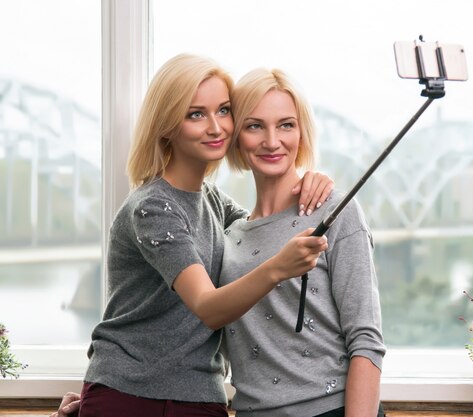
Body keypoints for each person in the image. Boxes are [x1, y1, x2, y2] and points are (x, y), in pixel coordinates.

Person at [50, 54, 332, 417]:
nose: (216, 128)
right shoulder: (153, 207)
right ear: (167, 125)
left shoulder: (214, 202)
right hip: (129, 396)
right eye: (195, 114)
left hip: (201, 397)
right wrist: (279, 268)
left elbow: (263, 228)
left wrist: (311, 179)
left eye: (224, 110)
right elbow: (209, 308)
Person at [220, 68, 386, 416]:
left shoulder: (336, 211)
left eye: (286, 125)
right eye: (254, 126)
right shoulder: (228, 235)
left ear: (302, 132)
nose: (271, 140)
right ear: (235, 135)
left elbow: (366, 341)